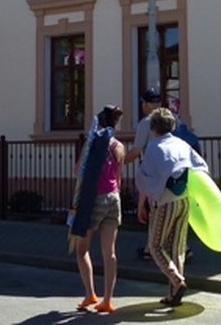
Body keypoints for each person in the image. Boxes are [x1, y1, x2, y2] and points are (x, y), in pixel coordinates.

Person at [135, 107, 208, 307]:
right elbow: (201, 168)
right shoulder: (182, 144)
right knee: (177, 247)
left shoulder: (153, 147)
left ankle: (177, 281)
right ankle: (173, 294)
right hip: (184, 201)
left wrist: (141, 206)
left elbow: (144, 179)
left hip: (163, 203)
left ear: (153, 128)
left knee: (156, 246)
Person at [73, 105, 125, 314]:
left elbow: (78, 170)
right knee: (109, 252)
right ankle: (107, 300)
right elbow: (118, 178)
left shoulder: (92, 143)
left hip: (94, 199)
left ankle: (90, 293)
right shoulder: (119, 147)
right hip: (114, 198)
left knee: (82, 249)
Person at [124, 87, 162, 260]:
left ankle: (150, 249)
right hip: (174, 170)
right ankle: (184, 247)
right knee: (169, 208)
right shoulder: (172, 119)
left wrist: (119, 162)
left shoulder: (146, 123)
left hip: (153, 173)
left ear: (146, 105)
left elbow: (136, 150)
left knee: (153, 210)